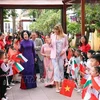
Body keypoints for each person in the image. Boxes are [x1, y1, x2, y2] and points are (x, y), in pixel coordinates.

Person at [49, 24, 68, 92]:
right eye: (55, 30)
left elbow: (66, 45)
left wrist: (63, 51)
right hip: (54, 56)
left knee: (61, 69)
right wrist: (49, 43)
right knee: (56, 70)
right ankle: (57, 86)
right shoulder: (53, 36)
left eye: (57, 30)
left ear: (60, 30)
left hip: (61, 55)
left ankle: (61, 85)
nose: (55, 31)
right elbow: (51, 46)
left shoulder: (65, 36)